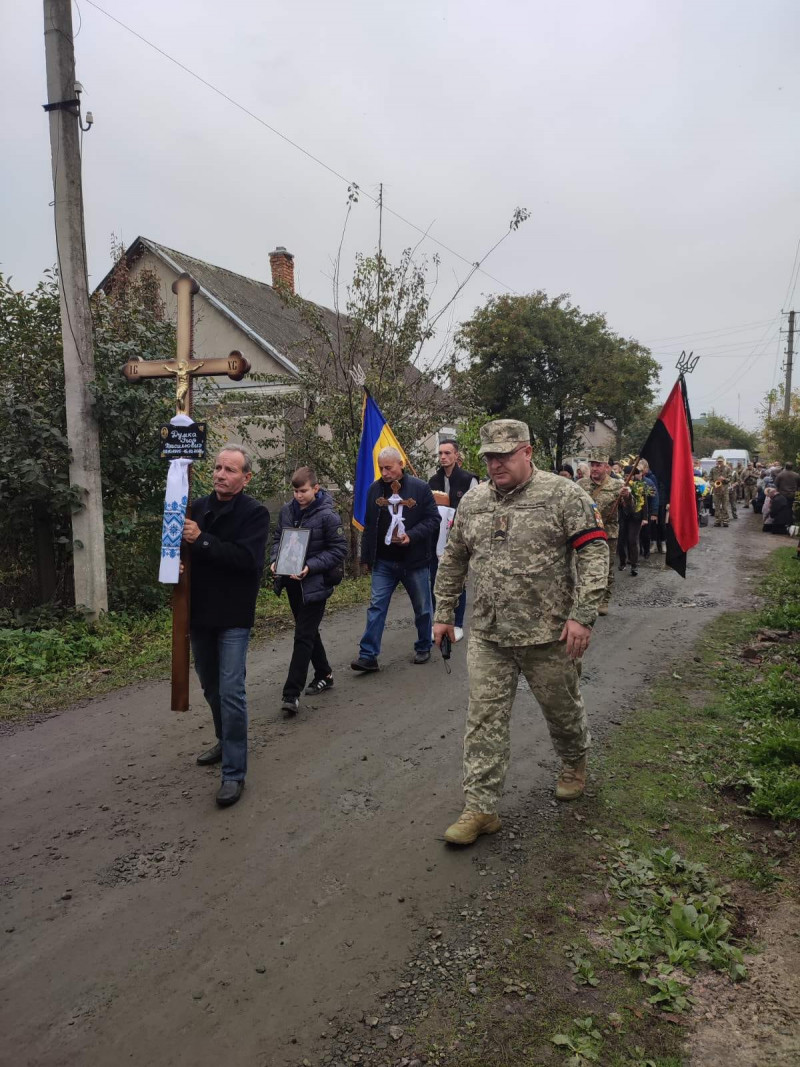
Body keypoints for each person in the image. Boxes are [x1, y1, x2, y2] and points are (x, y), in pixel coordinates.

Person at [433, 419, 609, 846]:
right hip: (490, 634)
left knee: (562, 711)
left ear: (527, 452)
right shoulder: (473, 501)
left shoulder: (563, 495)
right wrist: (442, 612)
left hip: (548, 635)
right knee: (483, 721)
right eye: (489, 457)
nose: (496, 464)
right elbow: (454, 558)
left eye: (504, 456)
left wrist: (582, 616)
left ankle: (573, 763)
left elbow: (594, 551)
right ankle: (481, 807)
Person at [184, 446, 269, 808]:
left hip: (233, 615)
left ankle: (234, 773)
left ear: (246, 477)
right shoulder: (196, 507)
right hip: (198, 613)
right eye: (217, 467)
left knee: (232, 690)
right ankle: (224, 740)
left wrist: (201, 540)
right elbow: (180, 551)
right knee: (211, 685)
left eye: (230, 469)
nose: (220, 474)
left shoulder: (255, 514)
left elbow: (247, 561)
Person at [351, 447, 441, 671]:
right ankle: (368, 655)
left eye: (388, 467)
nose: (384, 472)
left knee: (422, 607)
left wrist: (411, 536)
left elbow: (433, 519)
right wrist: (366, 557)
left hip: (415, 561)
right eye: (381, 468)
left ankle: (423, 645)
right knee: (376, 607)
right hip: (384, 562)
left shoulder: (420, 489)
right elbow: (370, 526)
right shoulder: (375, 490)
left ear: (400, 464)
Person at [270, 467, 347, 718]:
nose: (299, 496)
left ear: (315, 488)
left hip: (315, 584)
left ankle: (291, 694)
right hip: (292, 583)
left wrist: (310, 566)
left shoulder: (328, 516)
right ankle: (324, 673)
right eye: (295, 491)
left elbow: (338, 550)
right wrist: (275, 560)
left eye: (303, 491)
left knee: (302, 636)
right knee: (309, 632)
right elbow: (277, 540)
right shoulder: (286, 511)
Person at [428, 439, 478, 642]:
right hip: (436, 539)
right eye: (440, 453)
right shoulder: (433, 481)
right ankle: (439, 621)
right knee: (436, 581)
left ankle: (457, 623)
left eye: (447, 453)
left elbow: (475, 509)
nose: (443, 457)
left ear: (456, 455)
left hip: (459, 538)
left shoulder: (468, 480)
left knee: (457, 581)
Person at [577, 450, 629, 615]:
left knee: (606, 567)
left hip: (608, 533)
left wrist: (627, 497)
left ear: (606, 467)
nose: (594, 468)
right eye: (592, 465)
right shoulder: (581, 484)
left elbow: (631, 508)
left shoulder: (617, 485)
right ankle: (582, 598)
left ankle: (603, 600)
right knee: (582, 566)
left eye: (598, 465)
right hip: (584, 532)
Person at [710, 458, 732, 527]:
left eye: (721, 462)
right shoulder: (713, 469)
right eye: (718, 461)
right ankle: (718, 521)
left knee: (725, 506)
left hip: (724, 491)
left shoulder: (727, 469)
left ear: (723, 462)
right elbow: (710, 479)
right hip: (716, 491)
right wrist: (714, 484)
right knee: (717, 506)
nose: (719, 463)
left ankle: (725, 521)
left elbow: (730, 479)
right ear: (717, 462)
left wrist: (724, 479)